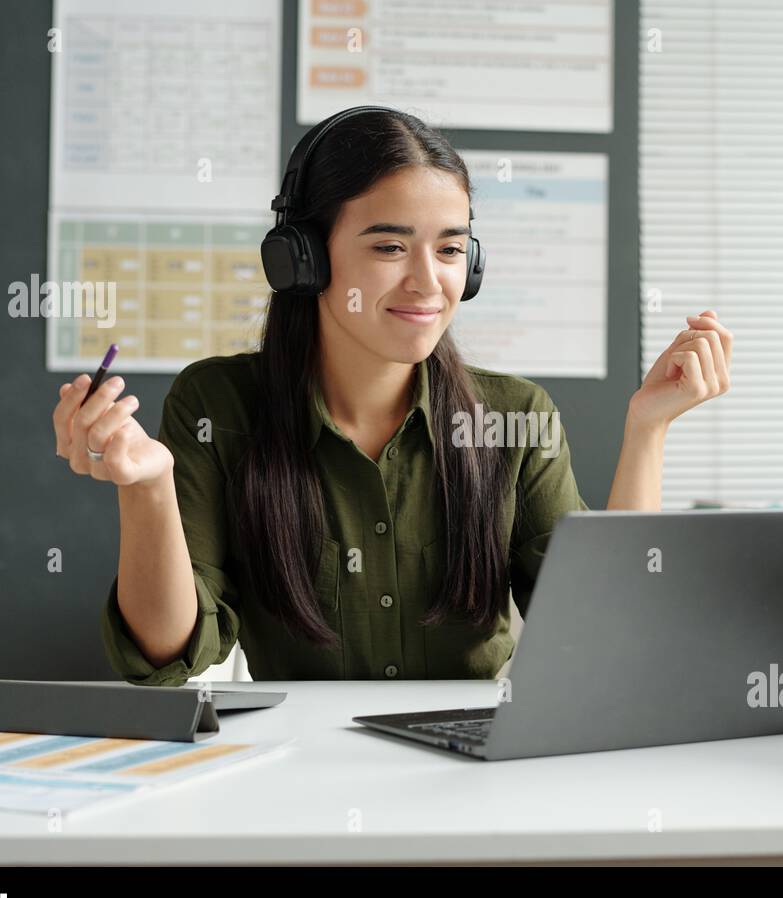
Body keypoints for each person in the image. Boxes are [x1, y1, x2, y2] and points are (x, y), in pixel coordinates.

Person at [51, 107, 731, 685]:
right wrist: (146, 488)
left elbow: (603, 639)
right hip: (300, 771)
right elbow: (165, 654)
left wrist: (648, 430)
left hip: (470, 770)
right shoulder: (218, 406)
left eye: (450, 250)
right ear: (304, 258)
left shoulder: (515, 418)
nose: (428, 282)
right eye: (389, 248)